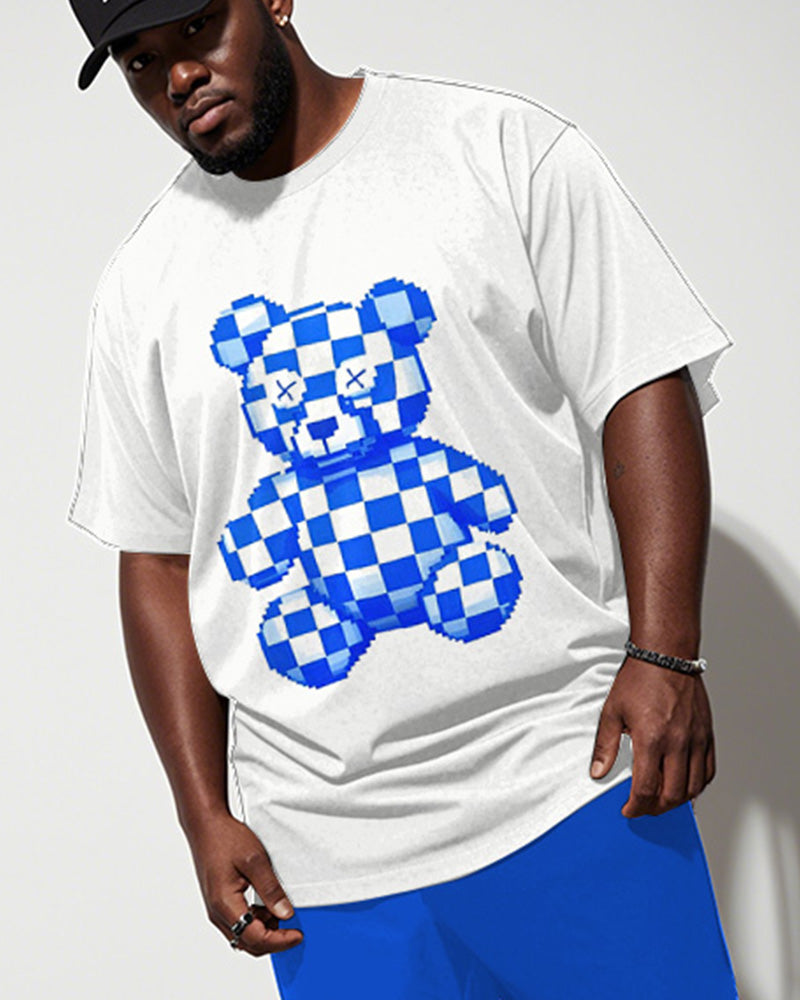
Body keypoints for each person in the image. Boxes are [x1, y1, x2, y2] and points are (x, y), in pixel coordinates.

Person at [66, 1, 740, 996]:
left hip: (571, 781)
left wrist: (665, 651)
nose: (177, 78)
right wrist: (201, 811)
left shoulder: (496, 151)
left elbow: (638, 380)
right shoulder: (142, 289)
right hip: (328, 861)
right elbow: (160, 559)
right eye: (139, 61)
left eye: (199, 27)